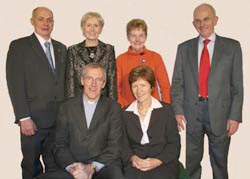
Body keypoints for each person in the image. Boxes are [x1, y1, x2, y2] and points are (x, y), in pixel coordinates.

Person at [171, 3, 243, 179]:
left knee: (219, 163)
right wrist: (178, 111)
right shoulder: (183, 48)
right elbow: (177, 83)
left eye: (206, 19)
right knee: (192, 163)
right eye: (197, 21)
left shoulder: (232, 47)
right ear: (193, 24)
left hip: (220, 114)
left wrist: (234, 116)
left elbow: (237, 86)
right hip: (192, 113)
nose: (202, 24)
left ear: (215, 20)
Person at [6, 7, 67, 179]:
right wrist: (23, 117)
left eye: (49, 20)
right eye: (41, 19)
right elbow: (14, 83)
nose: (46, 23)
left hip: (58, 121)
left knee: (56, 166)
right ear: (32, 21)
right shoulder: (20, 46)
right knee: (31, 166)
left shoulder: (62, 48)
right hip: (33, 120)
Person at [37, 63, 124, 179]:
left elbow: (114, 146)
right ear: (82, 80)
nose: (93, 84)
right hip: (72, 166)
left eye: (98, 79)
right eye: (89, 78)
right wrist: (73, 168)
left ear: (103, 84)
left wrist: (92, 167)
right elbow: (59, 144)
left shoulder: (114, 108)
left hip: (102, 167)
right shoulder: (65, 107)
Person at [122, 65, 180, 179]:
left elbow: (174, 144)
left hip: (163, 163)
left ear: (152, 87)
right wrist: (133, 158)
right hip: (135, 165)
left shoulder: (167, 110)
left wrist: (157, 161)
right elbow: (122, 145)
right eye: (135, 86)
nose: (139, 91)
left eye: (143, 85)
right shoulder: (124, 113)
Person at [117, 18, 171, 108]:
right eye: (133, 35)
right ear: (128, 37)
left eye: (141, 35)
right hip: (128, 111)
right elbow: (116, 90)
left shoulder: (156, 57)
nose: (137, 39)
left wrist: (166, 109)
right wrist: (122, 108)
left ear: (146, 37)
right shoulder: (120, 60)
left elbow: (165, 88)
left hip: (153, 110)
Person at [65, 11, 117, 100]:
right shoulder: (73, 50)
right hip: (78, 102)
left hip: (102, 103)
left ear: (101, 29)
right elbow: (70, 81)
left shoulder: (109, 50)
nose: (92, 29)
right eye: (88, 25)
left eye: (96, 26)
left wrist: (112, 106)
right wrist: (71, 106)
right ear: (82, 28)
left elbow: (111, 81)